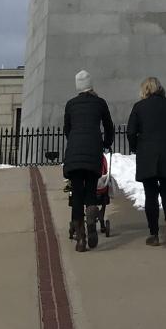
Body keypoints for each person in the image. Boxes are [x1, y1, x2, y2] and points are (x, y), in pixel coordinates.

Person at [126, 76, 166, 246]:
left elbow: (131, 131)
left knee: (150, 194)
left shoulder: (139, 107)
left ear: (144, 89)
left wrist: (135, 147)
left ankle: (154, 234)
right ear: (160, 88)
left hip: (147, 155)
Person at [63, 70, 114, 251]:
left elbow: (67, 129)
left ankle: (81, 239)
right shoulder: (99, 103)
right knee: (91, 191)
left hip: (74, 153)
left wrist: (75, 142)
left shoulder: (71, 104)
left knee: (76, 194)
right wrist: (106, 143)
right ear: (91, 85)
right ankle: (92, 222)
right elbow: (109, 126)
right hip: (93, 151)